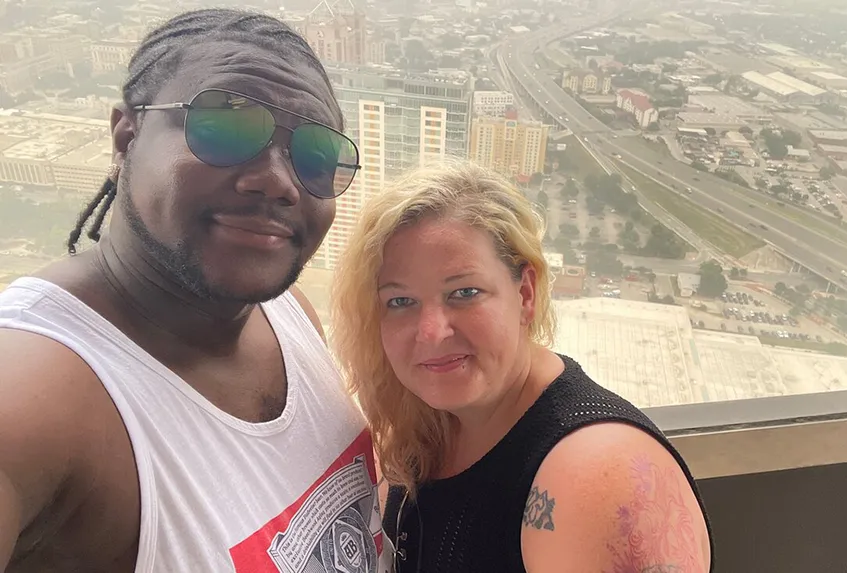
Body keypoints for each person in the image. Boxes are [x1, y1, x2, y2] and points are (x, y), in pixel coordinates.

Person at [0, 9, 391, 573]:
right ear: (125, 138)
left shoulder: (288, 313)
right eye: (226, 129)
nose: (278, 180)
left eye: (315, 157)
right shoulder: (41, 388)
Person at [331, 160, 714, 573]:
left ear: (525, 293)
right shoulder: (424, 424)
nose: (431, 331)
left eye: (464, 292)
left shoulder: (594, 477)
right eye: (400, 301)